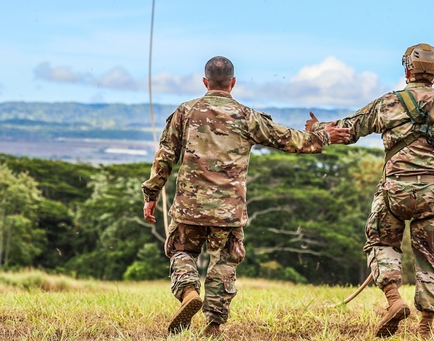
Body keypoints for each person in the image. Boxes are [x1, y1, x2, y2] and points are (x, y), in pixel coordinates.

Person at [141, 55, 351, 336]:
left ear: (205, 82)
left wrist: (151, 193)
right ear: (233, 83)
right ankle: (213, 325)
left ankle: (189, 291)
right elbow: (287, 139)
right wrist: (323, 136)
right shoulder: (246, 116)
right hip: (229, 210)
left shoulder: (185, 112)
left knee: (181, 251)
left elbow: (165, 156)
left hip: (189, 206)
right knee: (225, 261)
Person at [309, 44, 434, 338]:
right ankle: (425, 327)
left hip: (394, 192)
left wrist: (318, 127)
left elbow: (350, 130)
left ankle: (394, 300)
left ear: (407, 69)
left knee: (381, 243)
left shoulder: (388, 103)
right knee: (429, 257)